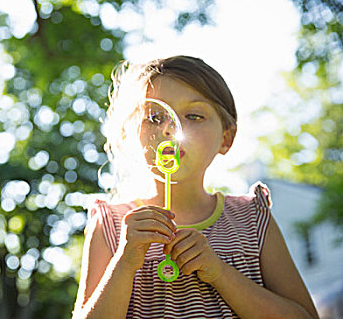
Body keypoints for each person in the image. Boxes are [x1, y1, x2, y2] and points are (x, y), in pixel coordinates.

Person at [72, 56, 319, 318]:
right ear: (131, 134)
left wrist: (218, 272)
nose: (169, 129)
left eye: (193, 115)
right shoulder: (111, 225)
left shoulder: (251, 219)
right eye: (155, 117)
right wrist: (125, 262)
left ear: (226, 138)